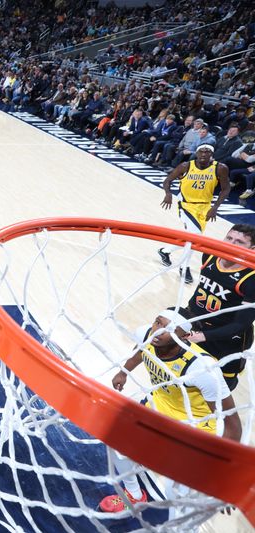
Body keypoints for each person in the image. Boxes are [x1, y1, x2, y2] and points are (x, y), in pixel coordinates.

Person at [102, 309, 241, 513]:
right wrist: (123, 372)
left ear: (184, 336)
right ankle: (134, 494)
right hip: (159, 409)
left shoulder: (202, 368)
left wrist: (224, 477)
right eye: (158, 323)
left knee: (177, 493)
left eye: (168, 329)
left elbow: (233, 425)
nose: (158, 331)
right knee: (117, 442)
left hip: (195, 427)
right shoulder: (147, 334)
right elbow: (139, 352)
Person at [183, 224, 255, 391]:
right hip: (196, 323)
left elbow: (240, 325)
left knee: (220, 384)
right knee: (188, 373)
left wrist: (203, 336)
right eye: (229, 238)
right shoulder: (209, 255)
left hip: (228, 338)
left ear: (252, 249)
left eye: (239, 241)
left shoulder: (251, 278)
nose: (231, 243)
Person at [158, 145, 230, 284]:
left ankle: (165, 251)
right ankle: (184, 267)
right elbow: (167, 181)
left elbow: (226, 189)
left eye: (207, 151)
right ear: (196, 153)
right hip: (186, 205)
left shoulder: (220, 168)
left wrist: (215, 207)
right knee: (195, 238)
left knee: (192, 238)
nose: (204, 153)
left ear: (212, 154)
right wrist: (168, 194)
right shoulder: (185, 166)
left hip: (204, 207)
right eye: (201, 151)